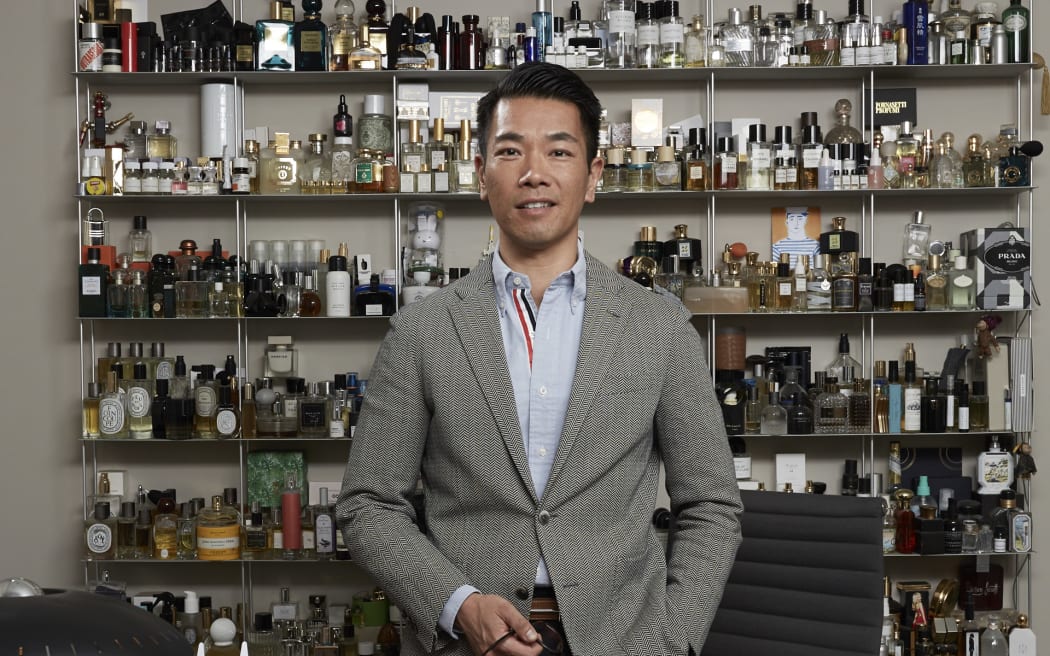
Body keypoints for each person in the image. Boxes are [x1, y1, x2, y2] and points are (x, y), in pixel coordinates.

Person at [337, 62, 742, 656]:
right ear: (480, 174)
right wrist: (457, 605)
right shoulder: (422, 329)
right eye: (509, 152)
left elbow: (711, 505)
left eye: (558, 151)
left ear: (593, 174)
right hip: (467, 644)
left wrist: (668, 642)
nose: (533, 174)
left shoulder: (660, 327)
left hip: (624, 640)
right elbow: (368, 504)